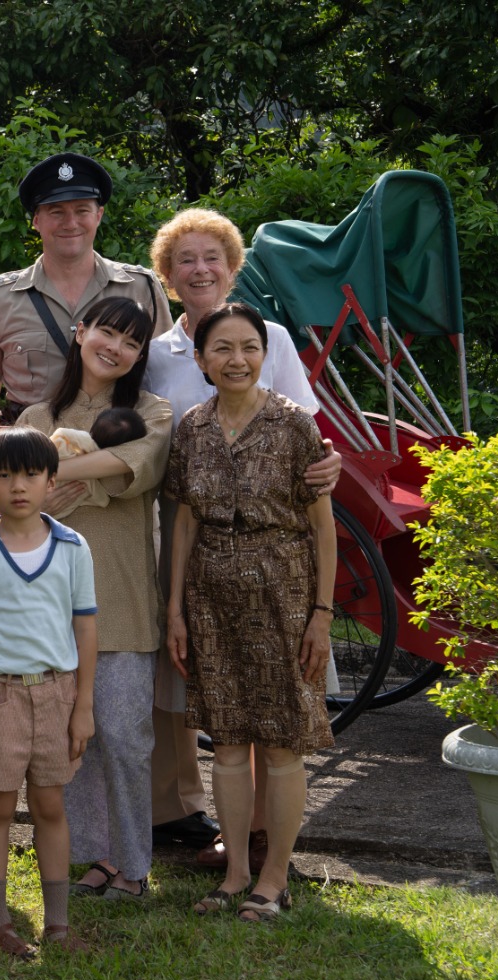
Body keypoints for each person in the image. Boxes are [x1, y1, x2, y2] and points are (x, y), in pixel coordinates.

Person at [142, 208, 339, 864]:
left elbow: (307, 437)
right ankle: (217, 823)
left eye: (212, 258)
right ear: (168, 277)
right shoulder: (156, 353)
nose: (200, 270)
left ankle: (261, 836)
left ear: (232, 267)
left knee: (272, 699)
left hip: (277, 550)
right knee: (213, 696)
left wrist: (329, 464)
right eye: (185, 261)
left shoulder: (270, 337)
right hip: (193, 537)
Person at [166, 303, 334, 924]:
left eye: (249, 348)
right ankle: (236, 871)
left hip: (284, 596)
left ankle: (275, 877)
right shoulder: (192, 426)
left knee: (284, 743)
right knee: (229, 742)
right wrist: (175, 609)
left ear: (265, 354)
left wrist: (322, 613)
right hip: (210, 599)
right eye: (223, 349)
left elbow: (323, 525)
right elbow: (184, 517)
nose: (237, 360)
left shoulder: (294, 425)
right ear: (203, 360)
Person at [13, 297, 169, 904]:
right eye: (106, 331)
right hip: (50, 606)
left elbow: (140, 464)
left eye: (131, 342)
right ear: (81, 333)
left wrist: (55, 475)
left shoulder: (152, 413)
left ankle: (133, 863)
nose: (116, 347)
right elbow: (12, 500)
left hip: (123, 603)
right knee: (69, 740)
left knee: (127, 736)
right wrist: (72, 478)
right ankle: (91, 854)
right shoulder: (36, 414)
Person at [0, 428, 99, 958]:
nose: (19, 486)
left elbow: (85, 629)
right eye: (5, 475)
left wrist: (83, 707)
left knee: (50, 805)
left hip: (56, 695)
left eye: (32, 474)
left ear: (51, 480)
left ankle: (58, 923)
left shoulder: (72, 546)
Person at [0, 152, 172, 424]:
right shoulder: (0, 299)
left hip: (117, 448)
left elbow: (165, 374)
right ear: (36, 220)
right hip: (30, 454)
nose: (70, 223)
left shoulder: (140, 288)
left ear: (98, 215)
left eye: (82, 210)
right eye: (56, 211)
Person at [49, 407, 149, 510]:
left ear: (92, 428)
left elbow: (60, 434)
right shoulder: (91, 477)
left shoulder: (79, 439)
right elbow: (102, 500)